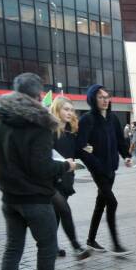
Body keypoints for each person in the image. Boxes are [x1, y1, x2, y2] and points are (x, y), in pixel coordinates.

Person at [0, 72, 81, 270]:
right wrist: (67, 166)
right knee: (47, 246)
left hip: (10, 199)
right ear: (38, 96)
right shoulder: (40, 125)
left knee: (13, 248)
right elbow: (42, 167)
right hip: (36, 199)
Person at [76, 84, 133, 256]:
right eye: (100, 97)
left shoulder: (113, 118)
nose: (105, 100)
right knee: (112, 202)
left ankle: (91, 240)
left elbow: (120, 141)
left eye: (107, 97)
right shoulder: (87, 119)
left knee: (100, 203)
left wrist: (126, 156)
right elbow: (80, 147)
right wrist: (95, 163)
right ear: (93, 99)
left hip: (111, 168)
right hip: (98, 169)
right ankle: (116, 244)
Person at [49, 97, 91, 261]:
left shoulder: (71, 131)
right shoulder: (49, 130)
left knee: (57, 214)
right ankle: (76, 246)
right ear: (57, 110)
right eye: (66, 109)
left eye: (71, 110)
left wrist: (87, 149)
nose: (70, 113)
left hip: (67, 178)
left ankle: (52, 247)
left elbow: (76, 152)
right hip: (52, 179)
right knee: (64, 210)